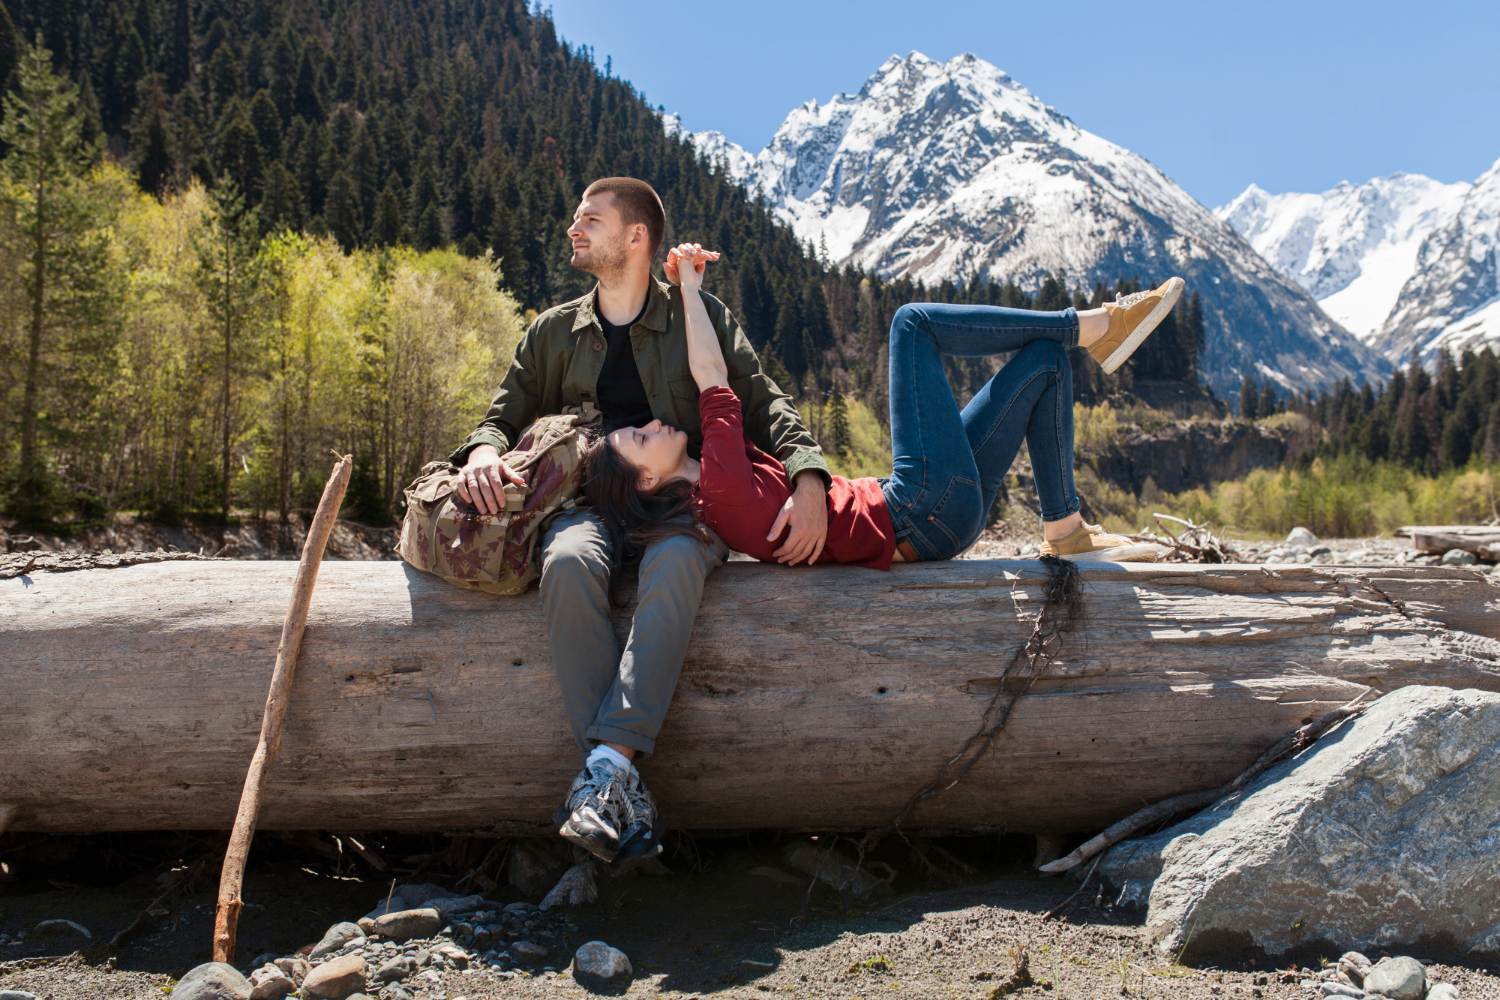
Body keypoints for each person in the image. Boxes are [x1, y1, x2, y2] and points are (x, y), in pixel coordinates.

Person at [448, 179, 832, 868]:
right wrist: (481, 453)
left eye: (591, 220)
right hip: (584, 509)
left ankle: (604, 772)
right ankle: (622, 787)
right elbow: (499, 418)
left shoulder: (696, 312)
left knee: (678, 562)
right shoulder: (553, 332)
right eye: (574, 219)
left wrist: (809, 478)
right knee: (564, 566)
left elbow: (764, 400)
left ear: (637, 237)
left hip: (686, 507)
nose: (575, 229)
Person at [585, 242, 1184, 570]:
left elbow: (727, 385)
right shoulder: (718, 489)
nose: (651, 425)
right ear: (645, 480)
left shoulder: (721, 484)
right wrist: (689, 287)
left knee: (1045, 367)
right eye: (638, 438)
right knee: (911, 323)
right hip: (917, 510)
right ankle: (1095, 324)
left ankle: (1066, 530)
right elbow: (710, 371)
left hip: (928, 512)